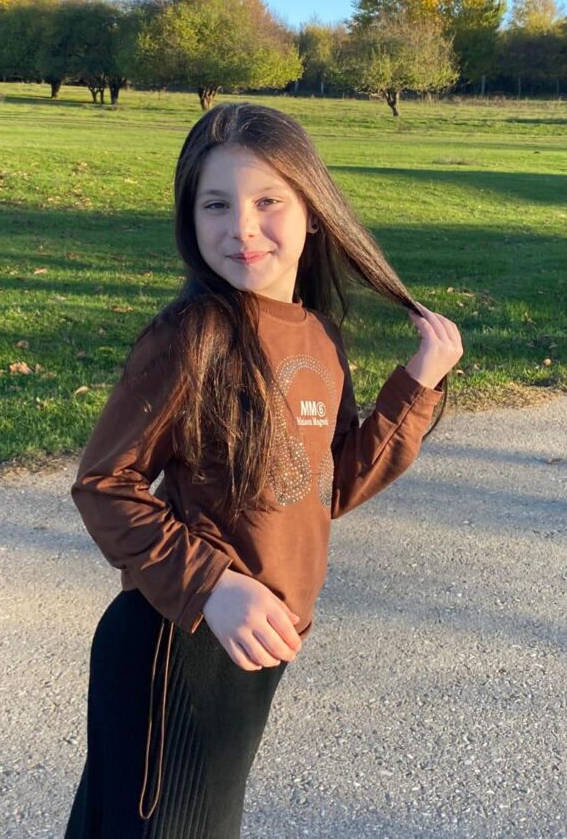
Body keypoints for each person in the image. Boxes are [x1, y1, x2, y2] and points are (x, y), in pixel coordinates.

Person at [63, 101, 463, 838]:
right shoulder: (191, 338)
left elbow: (327, 484)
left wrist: (417, 384)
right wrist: (213, 586)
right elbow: (105, 484)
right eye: (216, 204)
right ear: (190, 219)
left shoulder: (319, 337)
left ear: (314, 213)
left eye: (267, 201)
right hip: (178, 641)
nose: (241, 227)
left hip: (253, 647)